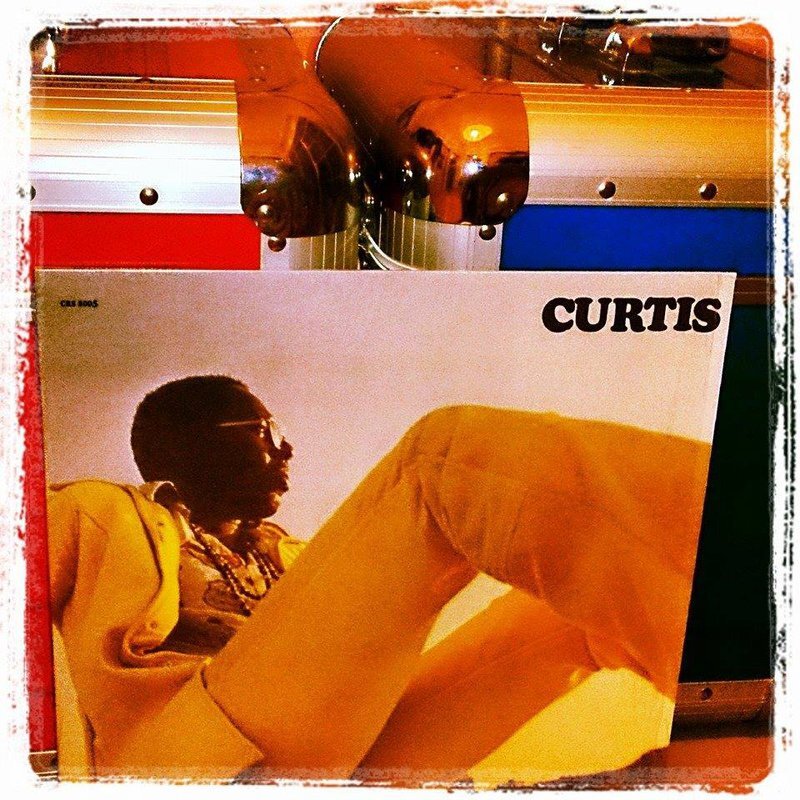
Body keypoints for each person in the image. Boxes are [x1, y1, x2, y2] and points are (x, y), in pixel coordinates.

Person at [47, 375, 711, 782]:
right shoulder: (95, 510)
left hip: (343, 762)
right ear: (188, 443)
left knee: (576, 613)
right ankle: (738, 557)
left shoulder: (289, 553)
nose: (287, 447)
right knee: (438, 458)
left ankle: (734, 676)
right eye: (266, 429)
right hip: (191, 762)